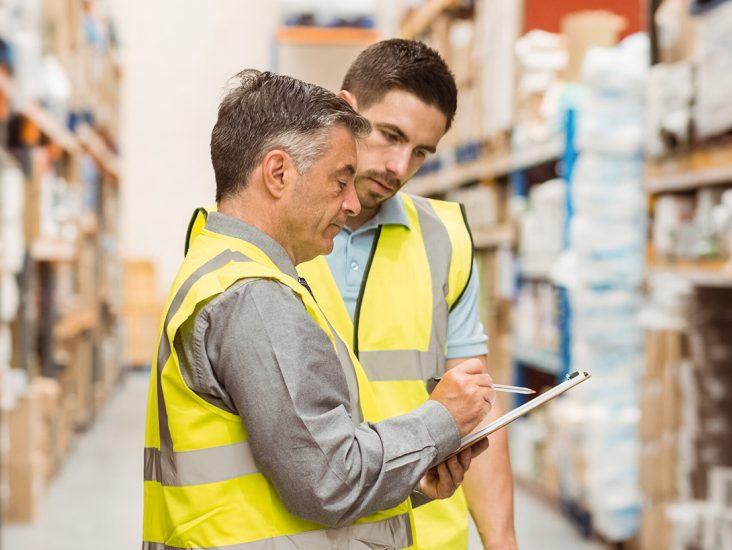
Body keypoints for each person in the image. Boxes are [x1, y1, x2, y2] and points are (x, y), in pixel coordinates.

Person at [143, 70, 494, 549]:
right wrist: (442, 420)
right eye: (339, 181)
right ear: (278, 173)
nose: (352, 203)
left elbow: (294, 464)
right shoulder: (255, 296)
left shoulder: (219, 262)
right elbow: (330, 480)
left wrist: (411, 480)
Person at [304, 39, 516, 549]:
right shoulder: (274, 229)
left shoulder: (444, 237)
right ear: (345, 110)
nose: (399, 167)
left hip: (421, 532)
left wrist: (502, 542)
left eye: (420, 151)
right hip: (303, 531)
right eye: (390, 135)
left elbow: (478, 406)